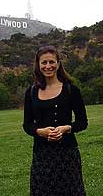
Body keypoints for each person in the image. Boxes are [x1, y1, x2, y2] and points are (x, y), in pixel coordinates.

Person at [23, 45, 88, 196]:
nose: (48, 66)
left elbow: (82, 122)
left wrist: (66, 128)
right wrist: (40, 132)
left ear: (58, 64)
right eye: (44, 63)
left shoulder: (72, 90)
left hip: (67, 155)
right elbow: (27, 125)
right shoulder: (31, 92)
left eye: (51, 62)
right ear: (38, 65)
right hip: (42, 156)